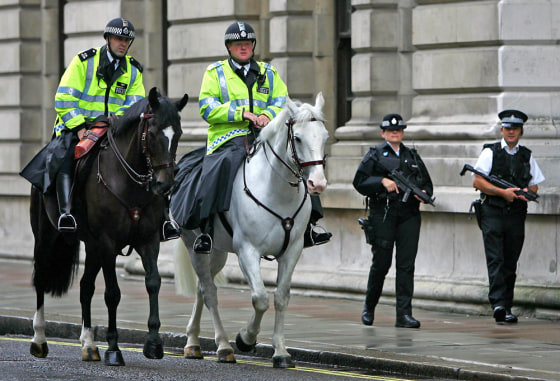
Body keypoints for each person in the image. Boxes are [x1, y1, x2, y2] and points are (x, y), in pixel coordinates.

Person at [171, 21, 331, 254]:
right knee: (221, 166)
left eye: (247, 44)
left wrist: (266, 115)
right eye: (238, 44)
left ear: (253, 46)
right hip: (228, 136)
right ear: (229, 47)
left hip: (266, 134)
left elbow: (281, 100)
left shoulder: (269, 72)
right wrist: (242, 114)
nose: (243, 48)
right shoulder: (215, 73)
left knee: (298, 161)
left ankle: (309, 226)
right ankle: (206, 231)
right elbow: (207, 106)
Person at [20, 17, 180, 240]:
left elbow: (133, 106)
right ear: (107, 39)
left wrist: (118, 123)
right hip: (77, 124)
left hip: (113, 127)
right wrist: (78, 128)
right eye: (118, 38)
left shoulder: (134, 70)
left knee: (149, 157)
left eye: (126, 40)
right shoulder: (83, 62)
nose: (122, 43)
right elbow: (64, 98)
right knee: (66, 155)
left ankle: (163, 218)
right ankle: (66, 213)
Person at [353, 114, 433, 328]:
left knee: (406, 266)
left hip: (409, 216)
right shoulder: (375, 154)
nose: (394, 133)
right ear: (383, 133)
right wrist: (382, 181)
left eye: (398, 130)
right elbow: (359, 181)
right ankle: (369, 308)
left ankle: (404, 315)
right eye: (390, 130)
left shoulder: (412, 155)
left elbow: (427, 185)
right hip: (384, 215)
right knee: (381, 264)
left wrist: (422, 193)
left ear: (403, 132)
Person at [473, 110, 545, 324]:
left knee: (510, 261)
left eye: (515, 128)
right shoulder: (490, 152)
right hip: (493, 212)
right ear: (501, 129)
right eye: (507, 128)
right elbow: (478, 181)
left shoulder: (526, 155)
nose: (511, 131)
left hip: (515, 214)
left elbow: (534, 184)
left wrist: (525, 192)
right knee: (496, 259)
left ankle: (507, 305)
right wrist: (501, 192)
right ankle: (498, 304)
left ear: (521, 131)